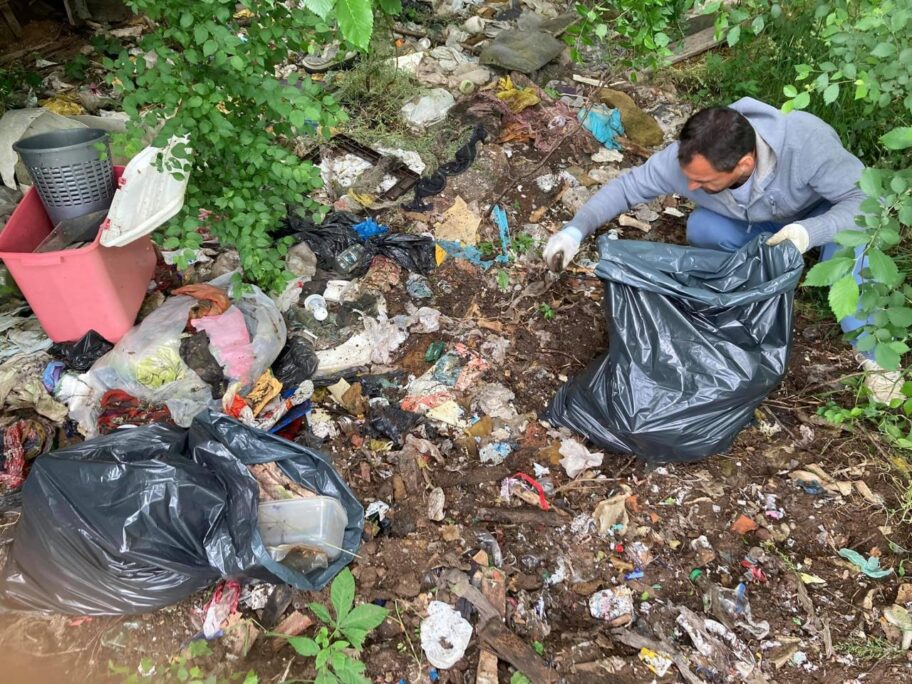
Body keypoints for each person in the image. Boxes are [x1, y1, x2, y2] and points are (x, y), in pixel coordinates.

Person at [542, 97, 901, 403]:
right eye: (689, 177)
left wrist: (810, 232)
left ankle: (877, 358)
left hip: (827, 215)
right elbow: (626, 189)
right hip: (764, 223)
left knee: (850, 258)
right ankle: (758, 289)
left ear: (743, 164)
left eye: (703, 181)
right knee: (703, 227)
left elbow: (867, 201)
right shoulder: (689, 161)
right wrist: (575, 231)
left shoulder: (805, 143)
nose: (690, 185)